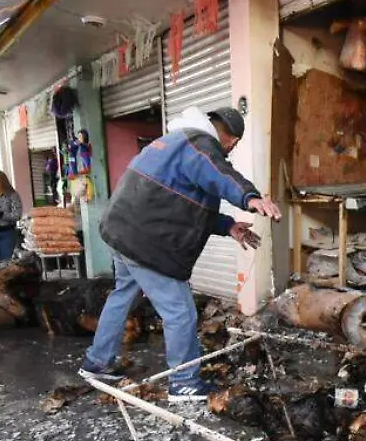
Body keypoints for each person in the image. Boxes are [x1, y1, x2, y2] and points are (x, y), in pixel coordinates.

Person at [80, 106, 281, 401]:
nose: (229, 150)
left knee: (123, 294)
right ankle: (185, 382)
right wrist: (248, 196)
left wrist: (229, 227)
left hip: (120, 231)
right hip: (145, 241)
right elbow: (220, 175)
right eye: (233, 144)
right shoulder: (199, 145)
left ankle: (97, 362)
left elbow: (185, 203)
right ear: (230, 138)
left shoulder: (174, 143)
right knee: (181, 312)